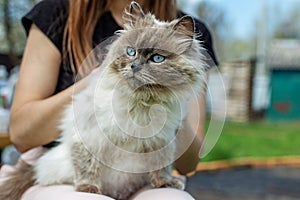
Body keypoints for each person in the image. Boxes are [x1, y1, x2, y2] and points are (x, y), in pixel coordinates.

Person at [0, 0, 218, 199]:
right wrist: (92, 81)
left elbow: (188, 164)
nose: (136, 65)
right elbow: (22, 135)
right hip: (69, 168)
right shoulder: (55, 13)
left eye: (156, 58)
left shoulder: (191, 30)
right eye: (132, 53)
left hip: (140, 177)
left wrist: (174, 108)